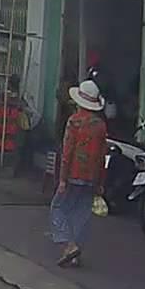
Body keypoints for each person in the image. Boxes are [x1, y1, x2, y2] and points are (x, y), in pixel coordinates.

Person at [50, 80, 108, 268]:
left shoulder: (74, 121)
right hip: (91, 177)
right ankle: (75, 255)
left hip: (73, 174)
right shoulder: (100, 126)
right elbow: (102, 156)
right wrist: (100, 182)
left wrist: (62, 179)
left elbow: (67, 152)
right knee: (80, 215)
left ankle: (70, 245)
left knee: (58, 208)